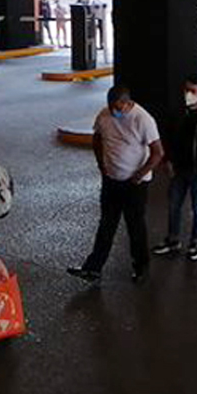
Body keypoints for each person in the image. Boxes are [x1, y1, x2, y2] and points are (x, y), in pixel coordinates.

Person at [68, 87, 164, 283]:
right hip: (111, 180)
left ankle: (141, 267)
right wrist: (100, 163)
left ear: (128, 103)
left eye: (119, 107)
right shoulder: (105, 115)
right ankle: (93, 268)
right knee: (106, 225)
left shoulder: (143, 120)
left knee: (135, 226)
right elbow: (97, 137)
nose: (115, 111)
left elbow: (158, 152)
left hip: (134, 184)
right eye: (112, 107)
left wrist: (140, 174)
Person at [153, 75, 197, 262]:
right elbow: (168, 136)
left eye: (193, 90)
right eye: (186, 90)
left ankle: (195, 242)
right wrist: (168, 159)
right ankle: (173, 239)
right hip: (179, 169)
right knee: (174, 205)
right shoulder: (178, 112)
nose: (188, 94)